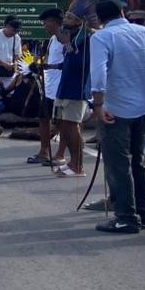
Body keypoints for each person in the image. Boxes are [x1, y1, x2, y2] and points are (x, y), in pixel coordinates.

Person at [89, 0, 145, 234]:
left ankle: (126, 216)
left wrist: (98, 104)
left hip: (115, 109)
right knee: (139, 161)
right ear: (123, 12)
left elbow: (98, 73)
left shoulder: (101, 37)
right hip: (143, 108)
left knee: (118, 165)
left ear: (99, 18)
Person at [52, 10, 90, 178]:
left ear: (79, 21)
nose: (65, 20)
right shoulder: (73, 40)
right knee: (64, 126)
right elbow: (66, 63)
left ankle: (78, 165)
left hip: (76, 90)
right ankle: (72, 161)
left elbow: (81, 65)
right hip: (65, 88)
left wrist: (68, 44)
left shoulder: (86, 41)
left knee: (73, 125)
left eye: (69, 17)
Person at [31, 8, 67, 166]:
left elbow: (69, 62)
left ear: (54, 22)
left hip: (61, 86)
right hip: (50, 86)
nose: (45, 26)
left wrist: (49, 66)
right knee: (43, 118)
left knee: (63, 122)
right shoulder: (53, 38)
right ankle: (44, 151)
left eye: (46, 23)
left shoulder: (65, 38)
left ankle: (60, 154)